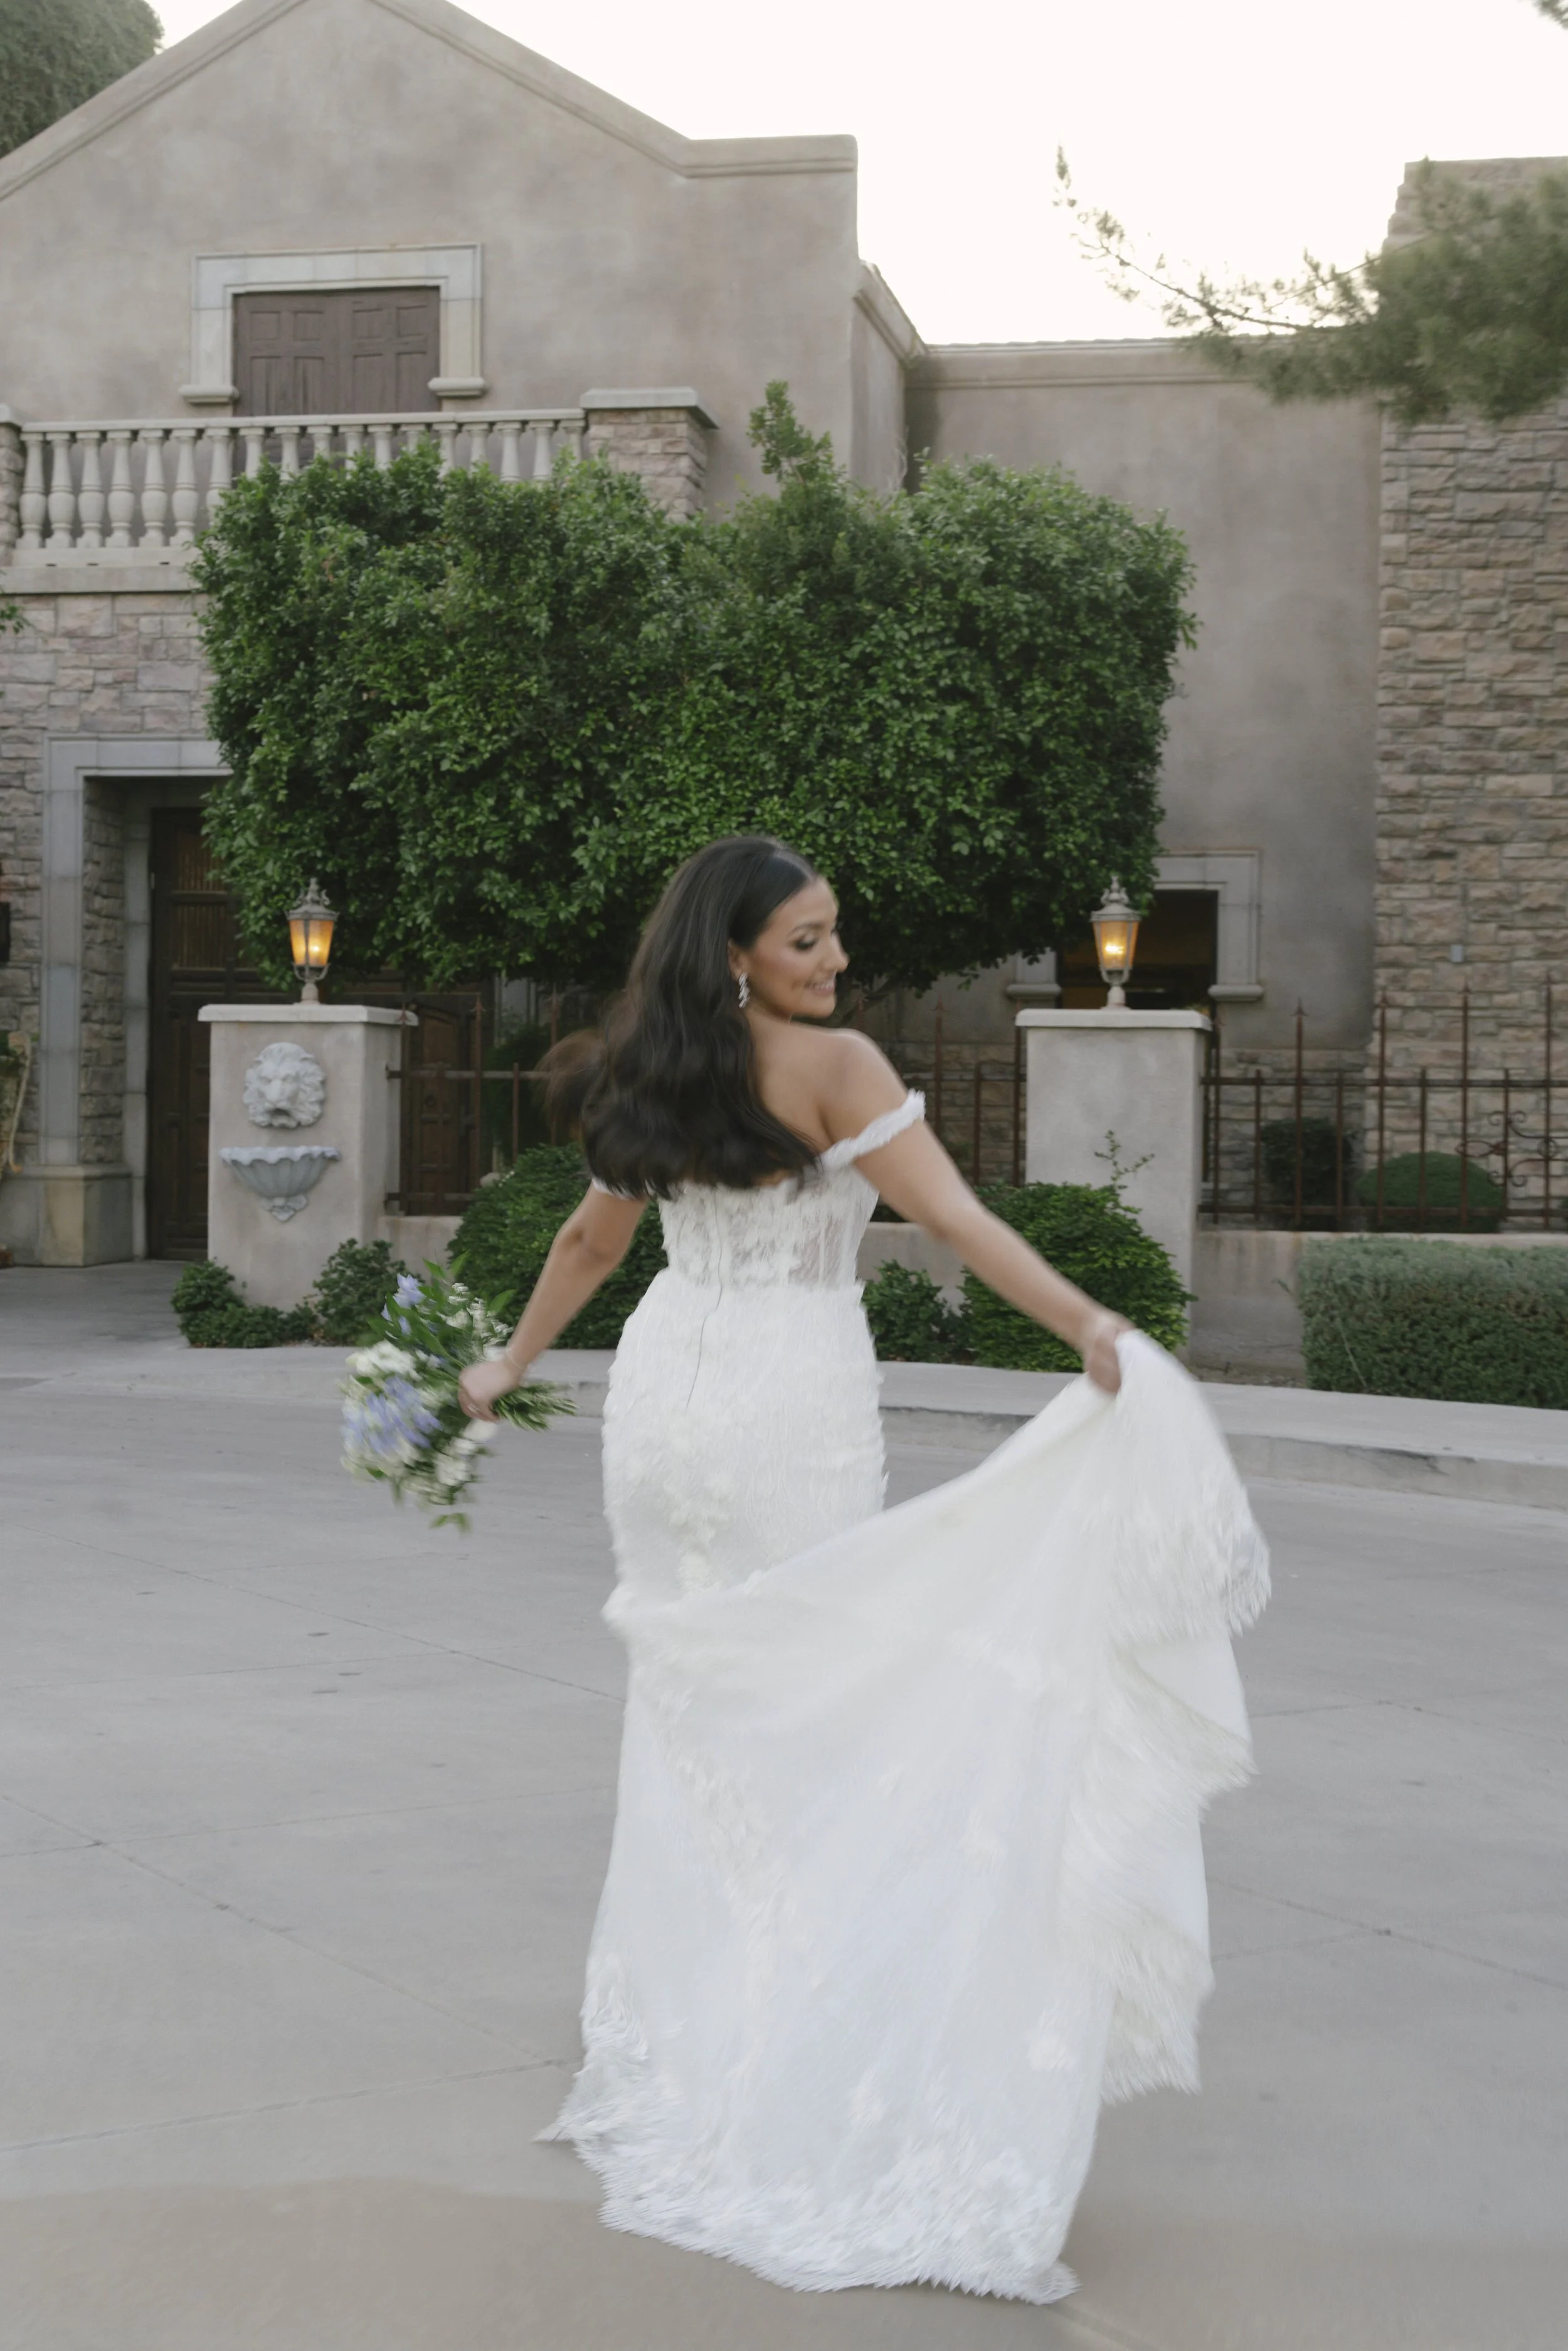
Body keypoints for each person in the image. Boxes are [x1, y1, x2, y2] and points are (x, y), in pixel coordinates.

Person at [460, 836, 1266, 2305]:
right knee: (822, 1719)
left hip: (663, 1405)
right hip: (780, 1405)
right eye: (808, 942)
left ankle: (699, 2029)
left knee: (700, 1716)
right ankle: (803, 2047)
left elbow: (592, 1233)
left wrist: (504, 1363)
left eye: (834, 939)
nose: (835, 964)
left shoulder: (650, 1059)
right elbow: (951, 1220)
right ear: (736, 955)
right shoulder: (831, 1068)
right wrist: (1093, 1327)